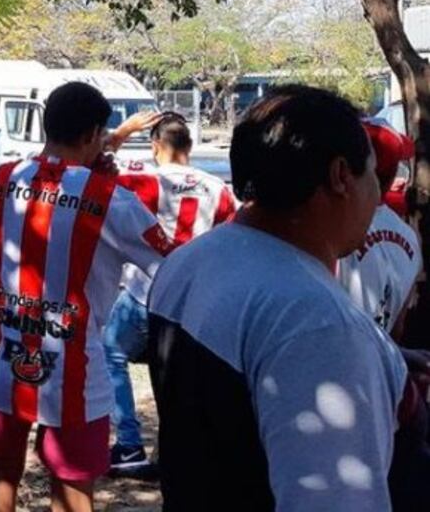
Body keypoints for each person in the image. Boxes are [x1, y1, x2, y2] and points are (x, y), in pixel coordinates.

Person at [148, 85, 407, 510]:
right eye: (373, 176)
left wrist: (385, 360)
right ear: (341, 176)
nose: (378, 197)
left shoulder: (190, 263)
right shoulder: (317, 323)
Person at [0, 82, 173, 512]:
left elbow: (53, 186)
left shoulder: (1, 178)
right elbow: (170, 263)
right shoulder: (113, 200)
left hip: (2, 357)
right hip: (73, 373)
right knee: (72, 489)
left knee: (1, 473)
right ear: (91, 135)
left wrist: (96, 159)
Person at [103, 112, 237, 473]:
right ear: (189, 146)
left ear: (155, 145)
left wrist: (121, 133)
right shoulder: (218, 188)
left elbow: (92, 165)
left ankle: (129, 444)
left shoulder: (143, 180)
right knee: (176, 375)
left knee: (111, 353)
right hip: (196, 297)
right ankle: (177, 453)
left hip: (146, 290)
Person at [338, 119, 422, 338]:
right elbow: (398, 328)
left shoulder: (330, 228)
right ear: (394, 173)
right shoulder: (409, 237)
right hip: (379, 359)